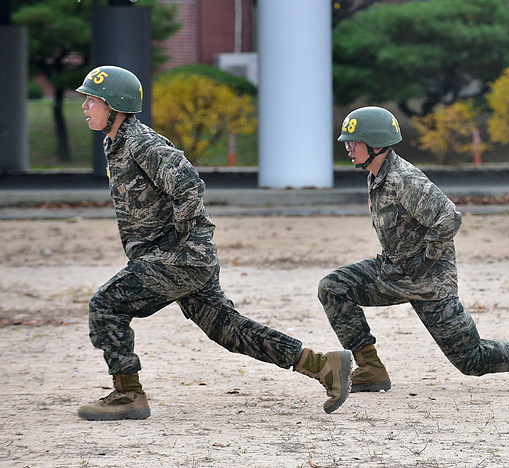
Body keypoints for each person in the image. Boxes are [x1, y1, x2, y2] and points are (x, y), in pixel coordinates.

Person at [75, 65, 352, 420]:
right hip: (183, 258)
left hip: (179, 257)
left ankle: (129, 394)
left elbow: (189, 186)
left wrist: (179, 243)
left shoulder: (142, 143)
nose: (85, 106)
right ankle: (322, 365)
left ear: (114, 105)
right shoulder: (115, 142)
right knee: (228, 329)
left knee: (106, 304)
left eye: (92, 100)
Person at [317, 106, 509, 395]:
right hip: (394, 270)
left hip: (430, 282)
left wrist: (425, 259)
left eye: (353, 142)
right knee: (333, 287)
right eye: (346, 142)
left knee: (473, 359)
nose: (348, 148)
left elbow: (449, 217)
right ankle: (371, 369)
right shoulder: (376, 175)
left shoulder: (404, 178)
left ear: (376, 144)